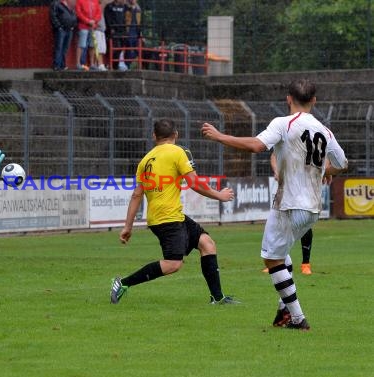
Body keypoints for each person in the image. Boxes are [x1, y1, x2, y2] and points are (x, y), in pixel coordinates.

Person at [201, 79, 348, 330]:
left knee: (272, 260)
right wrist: (326, 171)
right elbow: (343, 163)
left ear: (288, 98)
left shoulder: (283, 123)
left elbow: (257, 146)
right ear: (314, 101)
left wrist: (220, 136)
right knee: (281, 256)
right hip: (313, 208)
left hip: (288, 204)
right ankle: (283, 315)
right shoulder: (325, 130)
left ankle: (298, 318)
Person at [110, 118, 239, 305]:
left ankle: (217, 298)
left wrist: (127, 227)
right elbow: (193, 183)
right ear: (176, 135)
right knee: (173, 264)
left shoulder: (145, 160)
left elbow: (136, 195)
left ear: (154, 136)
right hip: (167, 219)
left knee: (207, 244)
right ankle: (122, 283)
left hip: (168, 216)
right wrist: (219, 195)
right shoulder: (179, 152)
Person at [266, 152, 314, 275]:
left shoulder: (309, 140)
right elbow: (274, 155)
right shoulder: (287, 137)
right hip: (285, 187)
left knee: (304, 225)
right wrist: (277, 171)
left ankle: (305, 263)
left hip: (304, 189)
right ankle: (276, 260)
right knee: (279, 225)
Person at [50, 0, 77, 72]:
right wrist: (59, 27)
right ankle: (56, 65)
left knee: (65, 48)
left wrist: (73, 26)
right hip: (61, 30)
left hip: (69, 29)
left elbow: (73, 14)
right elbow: (53, 15)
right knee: (59, 47)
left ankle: (62, 65)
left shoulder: (68, 4)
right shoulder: (56, 3)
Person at [75, 0, 102, 71]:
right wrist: (88, 21)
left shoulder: (96, 1)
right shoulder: (80, 1)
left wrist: (94, 21)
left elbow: (99, 13)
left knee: (92, 45)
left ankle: (92, 64)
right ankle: (78, 63)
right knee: (81, 44)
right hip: (83, 26)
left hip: (93, 26)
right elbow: (78, 13)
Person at [104, 0, 126, 70]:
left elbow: (125, 19)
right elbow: (107, 18)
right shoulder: (109, 6)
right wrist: (111, 28)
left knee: (120, 48)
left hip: (121, 32)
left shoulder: (123, 7)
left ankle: (116, 65)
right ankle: (112, 65)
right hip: (113, 32)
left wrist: (124, 30)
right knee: (114, 48)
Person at [123, 0, 142, 68]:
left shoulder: (138, 8)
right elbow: (123, 19)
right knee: (129, 49)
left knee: (137, 50)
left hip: (136, 32)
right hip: (129, 31)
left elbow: (140, 22)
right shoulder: (125, 7)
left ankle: (127, 64)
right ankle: (126, 65)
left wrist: (140, 32)